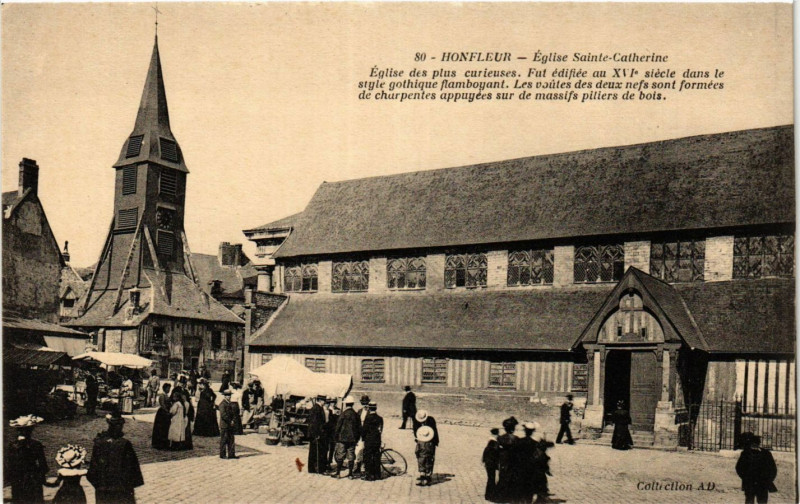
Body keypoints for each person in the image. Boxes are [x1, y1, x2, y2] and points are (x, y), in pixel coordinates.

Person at [87, 409, 144, 504]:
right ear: (120, 426)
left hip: (103, 490)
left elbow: (92, 470)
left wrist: (99, 485)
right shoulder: (125, 444)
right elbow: (133, 469)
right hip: (121, 491)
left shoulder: (99, 442)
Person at [5, 415, 48, 503]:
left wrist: (9, 476)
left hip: (17, 476)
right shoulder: (36, 444)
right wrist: (42, 476)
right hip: (33, 475)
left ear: (17, 431)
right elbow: (42, 464)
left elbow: (8, 463)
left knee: (19, 498)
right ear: (31, 430)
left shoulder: (12, 445)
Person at [736, 433, 778, 504]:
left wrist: (768, 480)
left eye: (755, 444)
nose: (754, 446)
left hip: (758, 483)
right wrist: (746, 477)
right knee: (753, 501)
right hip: (755, 483)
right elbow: (739, 468)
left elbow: (773, 469)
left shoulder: (765, 454)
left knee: (757, 501)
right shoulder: (746, 453)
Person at [331, 395, 361, 479]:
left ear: (346, 404)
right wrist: (357, 438)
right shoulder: (356, 415)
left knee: (340, 455)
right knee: (351, 456)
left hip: (342, 438)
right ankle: (350, 474)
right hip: (352, 439)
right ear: (352, 404)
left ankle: (338, 473)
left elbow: (338, 426)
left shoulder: (343, 414)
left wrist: (336, 436)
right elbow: (359, 428)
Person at [496, 416, 519, 502]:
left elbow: (497, 450)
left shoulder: (500, 438)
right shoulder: (516, 439)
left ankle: (501, 496)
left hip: (503, 460)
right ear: (513, 428)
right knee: (511, 477)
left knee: (503, 476)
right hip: (512, 460)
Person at [414, 410, 439, 486]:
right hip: (422, 441)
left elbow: (434, 431)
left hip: (430, 441)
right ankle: (425, 476)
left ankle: (428, 475)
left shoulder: (431, 420)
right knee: (426, 459)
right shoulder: (416, 422)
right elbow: (415, 432)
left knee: (430, 459)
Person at [362, 401, 384, 481]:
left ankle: (369, 475)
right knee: (376, 456)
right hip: (377, 440)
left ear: (369, 408)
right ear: (376, 408)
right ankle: (377, 474)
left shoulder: (368, 418)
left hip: (369, 440)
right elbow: (381, 430)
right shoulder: (380, 418)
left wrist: (363, 438)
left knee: (368, 457)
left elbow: (364, 430)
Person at [307, 395, 328, 474]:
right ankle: (318, 469)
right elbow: (315, 423)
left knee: (313, 451)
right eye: (324, 401)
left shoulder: (316, 408)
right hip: (316, 434)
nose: (324, 402)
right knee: (317, 452)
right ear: (320, 400)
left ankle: (312, 468)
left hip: (314, 434)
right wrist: (317, 434)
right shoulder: (317, 408)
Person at [353, 395, 371, 476]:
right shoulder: (359, 411)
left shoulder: (371, 411)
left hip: (367, 434)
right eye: (363, 403)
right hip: (360, 433)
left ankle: (365, 468)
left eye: (366, 403)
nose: (365, 405)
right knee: (358, 450)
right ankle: (358, 467)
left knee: (366, 450)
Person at [151, 383, 172, 449]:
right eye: (168, 388)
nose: (169, 390)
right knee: (161, 428)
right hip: (162, 413)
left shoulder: (166, 395)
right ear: (164, 388)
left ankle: (164, 443)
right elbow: (162, 405)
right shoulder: (162, 396)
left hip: (165, 413)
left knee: (165, 428)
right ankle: (159, 444)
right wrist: (167, 411)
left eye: (169, 388)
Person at [482, 428, 501, 502]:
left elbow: (485, 452)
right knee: (491, 479)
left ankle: (489, 495)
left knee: (491, 478)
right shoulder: (493, 442)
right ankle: (490, 495)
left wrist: (483, 460)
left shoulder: (490, 440)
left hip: (488, 463)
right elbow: (496, 452)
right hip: (491, 463)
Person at [219, 389, 238, 459]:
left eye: (229, 395)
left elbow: (232, 414)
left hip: (230, 425)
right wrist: (230, 421)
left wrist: (233, 420)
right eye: (227, 395)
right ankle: (222, 455)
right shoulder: (222, 404)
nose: (229, 397)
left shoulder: (229, 403)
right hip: (224, 425)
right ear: (224, 396)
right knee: (224, 440)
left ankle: (231, 454)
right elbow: (223, 415)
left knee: (231, 440)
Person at [325, 402, 340, 470]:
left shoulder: (337, 410)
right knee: (327, 448)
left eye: (334, 402)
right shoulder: (328, 411)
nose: (333, 404)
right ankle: (326, 463)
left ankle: (329, 463)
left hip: (334, 433)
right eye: (332, 402)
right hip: (328, 432)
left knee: (332, 448)